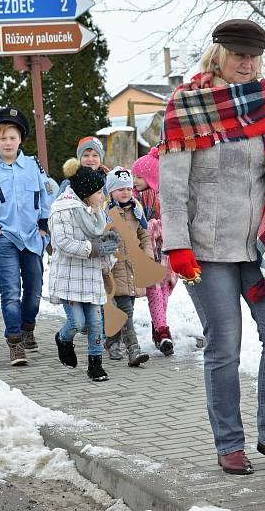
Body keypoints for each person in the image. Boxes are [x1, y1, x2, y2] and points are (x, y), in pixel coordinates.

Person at [159, 19, 265, 475]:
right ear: (219, 55)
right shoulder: (187, 105)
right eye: (238, 55)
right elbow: (173, 188)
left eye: (252, 57)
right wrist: (177, 247)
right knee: (225, 346)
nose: (246, 64)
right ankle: (229, 444)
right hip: (207, 251)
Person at [0, 107, 51, 366]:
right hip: (4, 237)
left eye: (12, 137)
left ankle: (28, 327)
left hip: (32, 237)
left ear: (20, 140)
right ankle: (15, 341)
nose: (7, 142)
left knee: (35, 290)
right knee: (11, 291)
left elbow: (45, 196)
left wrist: (43, 225)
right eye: (2, 137)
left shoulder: (32, 166)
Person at [49, 158, 120, 382]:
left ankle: (95, 365)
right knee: (77, 323)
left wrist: (109, 243)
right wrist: (94, 249)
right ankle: (63, 338)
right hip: (69, 276)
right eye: (100, 192)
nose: (103, 197)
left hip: (90, 275)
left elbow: (100, 239)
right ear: (86, 191)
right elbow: (63, 243)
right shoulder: (62, 209)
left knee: (96, 322)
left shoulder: (95, 212)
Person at [103, 166, 152, 367]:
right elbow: (100, 234)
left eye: (128, 188)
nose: (125, 192)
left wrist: (148, 252)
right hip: (114, 268)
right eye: (120, 189)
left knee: (127, 307)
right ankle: (134, 349)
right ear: (111, 191)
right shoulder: (105, 212)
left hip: (132, 267)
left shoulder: (136, 210)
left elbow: (143, 233)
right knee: (125, 310)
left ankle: (112, 342)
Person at [132, 147, 177, 354]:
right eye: (133, 176)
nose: (135, 180)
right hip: (148, 253)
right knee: (154, 290)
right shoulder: (135, 199)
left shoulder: (164, 197)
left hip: (167, 252)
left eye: (139, 176)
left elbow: (174, 221)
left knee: (165, 289)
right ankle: (162, 330)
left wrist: (161, 226)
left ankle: (158, 327)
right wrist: (152, 227)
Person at [52, 136, 108, 200]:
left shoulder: (106, 180)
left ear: (100, 159)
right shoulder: (69, 182)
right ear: (79, 159)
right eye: (86, 155)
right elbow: (58, 206)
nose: (90, 159)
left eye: (95, 155)